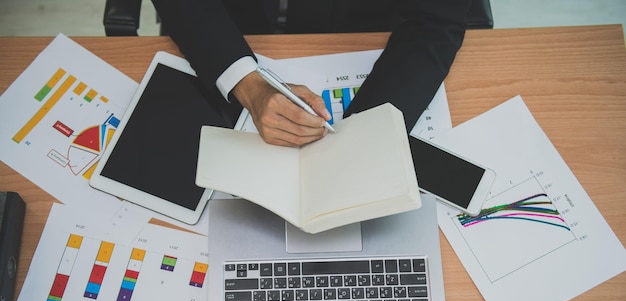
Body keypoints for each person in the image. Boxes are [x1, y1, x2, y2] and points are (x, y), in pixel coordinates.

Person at [151, 0, 471, 146]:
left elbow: (435, 20)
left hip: (362, 28)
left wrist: (366, 136)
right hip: (228, 25)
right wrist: (247, 82)